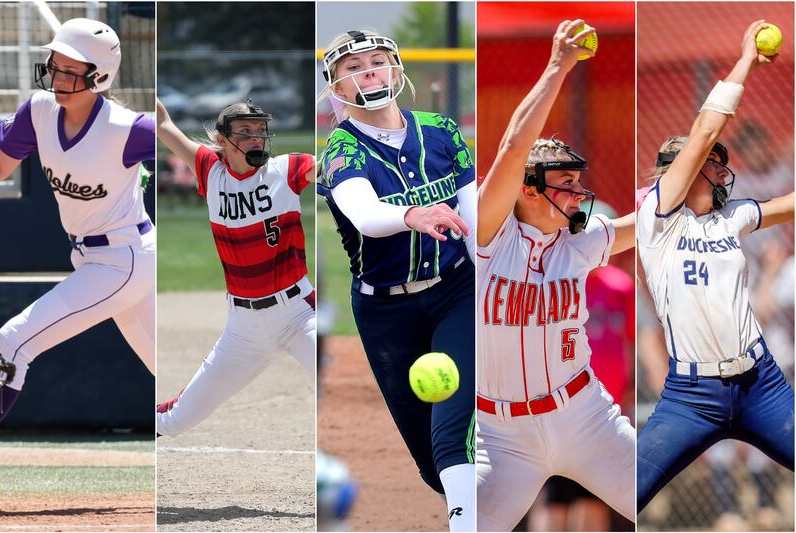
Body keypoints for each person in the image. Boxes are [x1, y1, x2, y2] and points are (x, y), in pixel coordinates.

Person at [475, 20, 636, 531]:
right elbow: (512, 150)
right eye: (565, 183)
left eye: (577, 181)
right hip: (500, 436)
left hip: (585, 417)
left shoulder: (579, 246)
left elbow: (652, 220)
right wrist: (558, 64)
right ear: (528, 191)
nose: (578, 191)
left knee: (657, 498)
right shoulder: (485, 239)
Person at [316, 30, 476, 532]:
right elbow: (364, 215)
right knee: (432, 465)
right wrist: (412, 214)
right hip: (386, 312)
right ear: (335, 83)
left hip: (457, 292)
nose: (369, 71)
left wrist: (495, 284)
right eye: (354, 66)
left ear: (396, 69)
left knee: (453, 436)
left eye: (378, 61)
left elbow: (473, 220)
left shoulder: (441, 130)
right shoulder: (341, 150)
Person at [636, 20, 795, 511]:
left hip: (760, 382)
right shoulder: (658, 219)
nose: (722, 170)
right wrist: (746, 59)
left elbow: (786, 205)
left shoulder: (733, 217)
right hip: (692, 396)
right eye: (711, 162)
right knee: (627, 490)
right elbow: (706, 128)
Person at [0, 18, 155, 419]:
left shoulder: (127, 128)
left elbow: (190, 149)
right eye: (55, 64)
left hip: (123, 259)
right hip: (96, 257)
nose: (58, 77)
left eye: (71, 70)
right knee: (172, 377)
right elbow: (0, 165)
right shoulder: (39, 111)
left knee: (12, 343)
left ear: (99, 76)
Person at [154, 96, 316, 436]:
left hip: (299, 315)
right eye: (244, 131)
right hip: (243, 327)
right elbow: (163, 124)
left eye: (260, 131)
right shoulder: (210, 171)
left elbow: (329, 166)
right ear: (221, 139)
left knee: (339, 383)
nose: (256, 138)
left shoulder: (285, 169)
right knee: (175, 421)